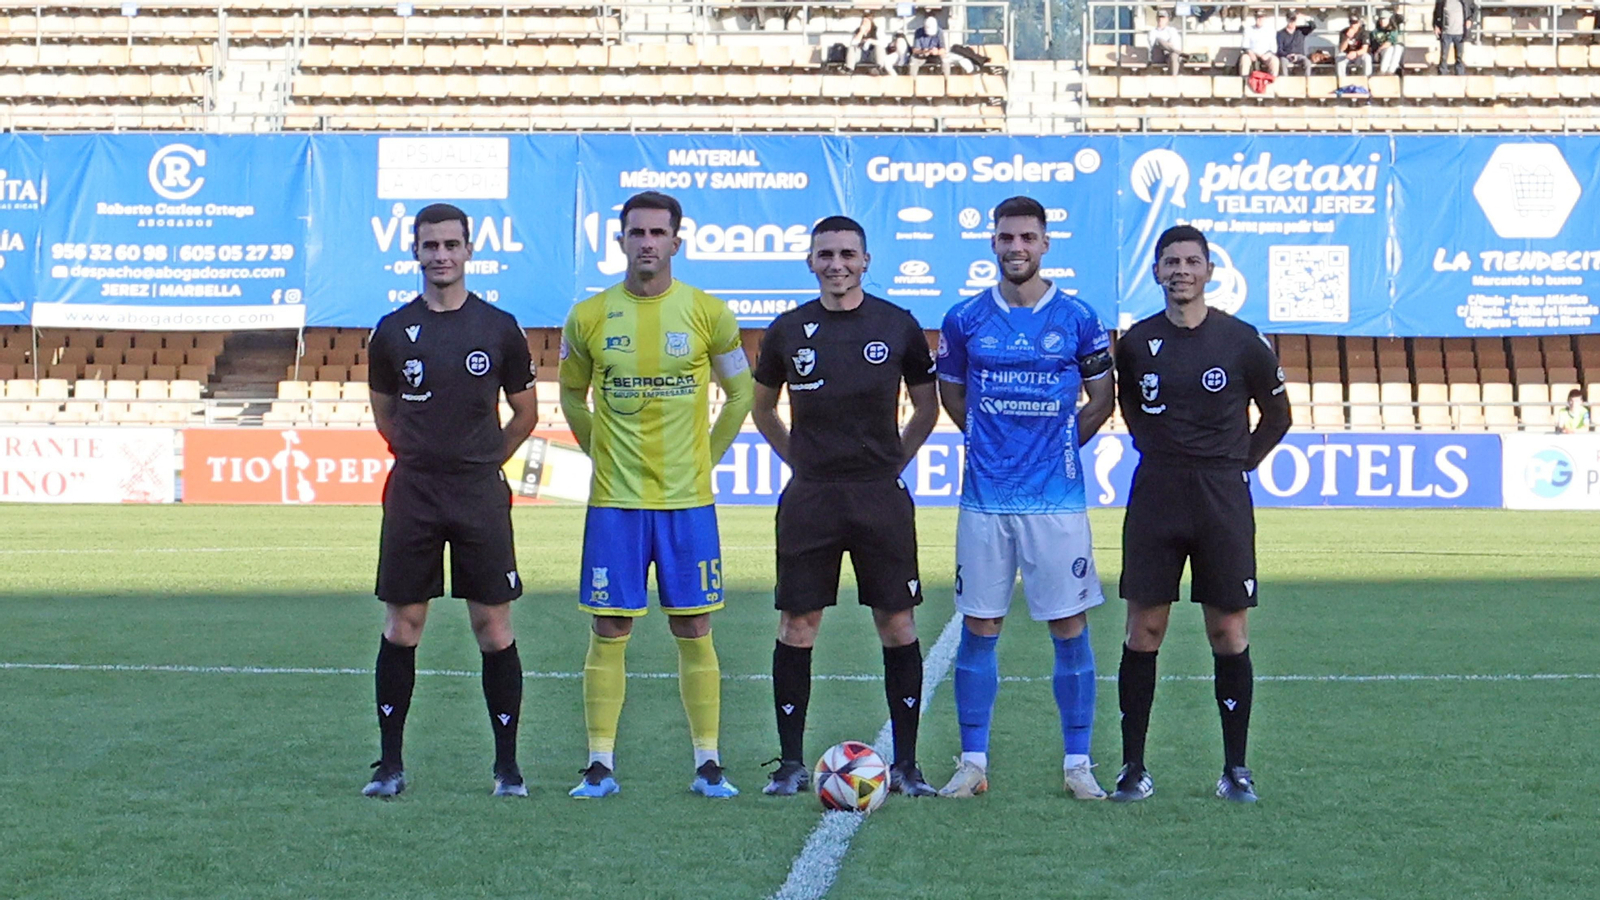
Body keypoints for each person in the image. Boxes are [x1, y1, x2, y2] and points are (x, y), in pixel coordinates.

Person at [559, 191, 754, 800]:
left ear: (677, 240)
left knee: (694, 626)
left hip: (687, 503)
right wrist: (600, 452)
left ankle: (708, 764)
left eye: (657, 232)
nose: (647, 242)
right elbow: (570, 394)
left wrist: (707, 457)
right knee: (609, 627)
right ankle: (599, 764)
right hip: (614, 504)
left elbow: (741, 395)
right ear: (619, 240)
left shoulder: (708, 313)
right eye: (636, 232)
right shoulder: (587, 317)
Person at [751, 216, 941, 798]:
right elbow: (764, 411)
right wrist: (803, 465)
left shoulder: (897, 325)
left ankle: (906, 764)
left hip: (879, 496)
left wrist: (890, 466)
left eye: (847, 254)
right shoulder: (788, 331)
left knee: (897, 622)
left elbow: (926, 409)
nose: (837, 263)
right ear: (811, 261)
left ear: (866, 260)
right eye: (825, 253)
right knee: (798, 624)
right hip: (811, 497)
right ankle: (789, 763)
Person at [934, 196, 1116, 801]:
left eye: (1028, 238)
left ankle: (1078, 763)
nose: (1017, 247)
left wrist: (1059, 443)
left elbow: (1101, 399)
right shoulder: (964, 319)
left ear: (1044, 244)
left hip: (1056, 502)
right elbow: (953, 399)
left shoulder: (1080, 317)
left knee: (1069, 624)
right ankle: (973, 762)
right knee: (979, 625)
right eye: (1007, 237)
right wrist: (991, 442)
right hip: (985, 501)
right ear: (993, 242)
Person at [362, 202, 540, 799]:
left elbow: (525, 412)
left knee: (492, 625)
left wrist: (485, 460)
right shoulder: (391, 331)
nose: (440, 255)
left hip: (478, 494)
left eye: (450, 245)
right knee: (403, 623)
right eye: (430, 245)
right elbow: (385, 412)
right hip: (413, 491)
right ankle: (389, 765)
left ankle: (507, 768)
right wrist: (417, 454)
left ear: (468, 251)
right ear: (414, 251)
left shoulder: (498, 327)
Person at [1109, 225, 1291, 805]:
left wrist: (1240, 464)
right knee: (1144, 630)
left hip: (1221, 497)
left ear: (1209, 270)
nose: (1180, 270)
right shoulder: (1136, 343)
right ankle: (1133, 767)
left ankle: (1236, 769)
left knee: (1228, 631)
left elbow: (1279, 415)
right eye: (1170, 262)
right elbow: (1132, 408)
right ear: (1157, 271)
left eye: (1191, 261)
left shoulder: (1241, 341)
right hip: (1157, 492)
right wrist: (1164, 453)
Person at [1433, 0, 1475, 75]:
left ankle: (1460, 77)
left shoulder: (1466, 1)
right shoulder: (1441, 1)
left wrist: (1470, 20)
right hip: (1446, 33)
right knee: (1443, 57)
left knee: (1459, 57)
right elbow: (1436, 13)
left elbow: (1474, 9)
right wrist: (1436, 25)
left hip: (1460, 33)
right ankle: (1442, 77)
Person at [1239, 10, 1280, 76]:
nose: (1259, 19)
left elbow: (1273, 48)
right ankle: (1244, 81)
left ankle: (1272, 81)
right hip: (1252, 54)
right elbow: (1245, 45)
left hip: (1266, 55)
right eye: (1258, 17)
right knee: (1244, 59)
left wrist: (1267, 55)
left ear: (1264, 18)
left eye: (1261, 17)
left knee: (1275, 61)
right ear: (1255, 18)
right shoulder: (1248, 29)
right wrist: (1250, 53)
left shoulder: (1271, 30)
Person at [1275, 11, 1317, 75]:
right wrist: (1288, 55)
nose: (1292, 22)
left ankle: (1307, 83)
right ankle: (1285, 82)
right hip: (1287, 56)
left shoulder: (1301, 30)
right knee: (1283, 62)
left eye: (1293, 20)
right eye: (1290, 20)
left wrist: (1306, 18)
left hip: (1299, 55)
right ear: (1287, 20)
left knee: (1307, 63)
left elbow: (1313, 26)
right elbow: (1279, 50)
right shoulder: (1280, 33)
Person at [1148, 11, 1184, 76]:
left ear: (1167, 19)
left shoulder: (1172, 30)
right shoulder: (1152, 32)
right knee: (1158, 40)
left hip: (1169, 54)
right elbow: (1153, 44)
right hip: (1158, 55)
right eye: (1159, 17)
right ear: (1156, 18)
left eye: (1163, 17)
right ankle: (1180, 53)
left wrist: (1167, 46)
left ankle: (1173, 79)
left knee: (1174, 56)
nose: (1160, 19)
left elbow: (1175, 43)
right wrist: (1166, 44)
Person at [1371, 10, 1404, 74]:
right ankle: (1383, 71)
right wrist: (1378, 51)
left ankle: (1390, 71)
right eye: (1381, 19)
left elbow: (1389, 42)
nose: (1382, 21)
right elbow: (1374, 46)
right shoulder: (1375, 32)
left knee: (1398, 47)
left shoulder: (1393, 29)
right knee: (1390, 49)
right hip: (1379, 52)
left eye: (1385, 19)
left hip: (1389, 52)